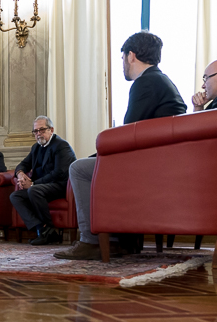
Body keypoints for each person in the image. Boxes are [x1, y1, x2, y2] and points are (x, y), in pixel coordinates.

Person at [54, 31, 187, 260]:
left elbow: (128, 134)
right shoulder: (161, 81)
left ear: (131, 56)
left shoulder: (146, 82)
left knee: (78, 168)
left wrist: (99, 153)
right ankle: (118, 241)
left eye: (122, 58)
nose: (123, 64)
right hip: (161, 163)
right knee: (91, 163)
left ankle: (91, 241)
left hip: (148, 167)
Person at [10, 116, 76, 245]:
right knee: (15, 196)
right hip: (39, 188)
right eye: (35, 131)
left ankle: (49, 228)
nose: (38, 134)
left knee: (34, 191)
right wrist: (20, 174)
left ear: (51, 130)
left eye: (42, 130)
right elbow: (22, 164)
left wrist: (33, 184)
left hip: (59, 186)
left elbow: (59, 173)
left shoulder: (61, 145)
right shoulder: (36, 147)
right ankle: (42, 229)